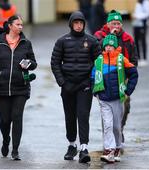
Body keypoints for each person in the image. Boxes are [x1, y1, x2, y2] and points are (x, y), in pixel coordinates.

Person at [51, 11, 101, 163]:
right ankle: (72, 145)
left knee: (83, 115)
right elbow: (55, 63)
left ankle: (84, 148)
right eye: (76, 23)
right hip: (68, 86)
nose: (79, 26)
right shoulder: (62, 41)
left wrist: (92, 84)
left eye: (81, 23)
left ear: (84, 24)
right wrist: (62, 82)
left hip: (84, 85)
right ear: (71, 24)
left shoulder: (92, 41)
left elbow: (98, 63)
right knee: (70, 116)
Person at [0, 15, 37, 160]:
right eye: (18, 24)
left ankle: (15, 150)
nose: (21, 27)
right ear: (10, 26)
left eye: (22, 25)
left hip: (20, 87)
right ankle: (5, 140)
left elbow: (34, 63)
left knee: (17, 117)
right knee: (4, 120)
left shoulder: (26, 43)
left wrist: (28, 63)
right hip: (1, 87)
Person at [94, 10, 138, 149]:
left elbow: (134, 59)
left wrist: (127, 76)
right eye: (114, 23)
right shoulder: (99, 35)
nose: (117, 26)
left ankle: (119, 130)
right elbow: (96, 52)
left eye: (119, 23)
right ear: (108, 24)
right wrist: (110, 36)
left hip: (122, 78)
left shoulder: (128, 39)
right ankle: (108, 139)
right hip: (106, 78)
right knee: (106, 111)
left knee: (125, 107)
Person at [132, 0, 149, 66]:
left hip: (143, 24)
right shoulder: (138, 2)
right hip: (136, 24)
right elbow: (136, 11)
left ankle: (144, 58)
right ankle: (139, 58)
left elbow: (148, 13)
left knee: (143, 41)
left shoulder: (147, 2)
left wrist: (138, 16)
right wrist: (134, 15)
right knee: (136, 41)